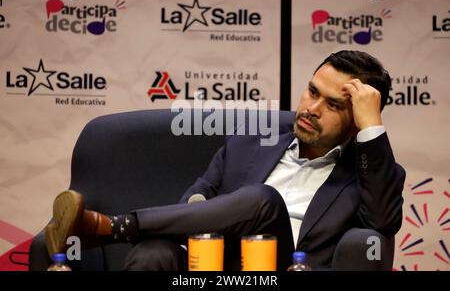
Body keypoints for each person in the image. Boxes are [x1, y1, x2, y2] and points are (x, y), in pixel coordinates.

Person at [45, 50, 405, 271]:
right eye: (312, 91)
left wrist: (370, 126)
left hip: (278, 268)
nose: (311, 109)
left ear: (356, 117)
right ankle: (118, 230)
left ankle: (110, 227)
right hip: (211, 266)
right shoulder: (247, 145)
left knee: (262, 199)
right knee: (153, 253)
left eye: (333, 104)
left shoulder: (369, 174)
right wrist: (202, 218)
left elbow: (382, 222)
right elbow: (194, 201)